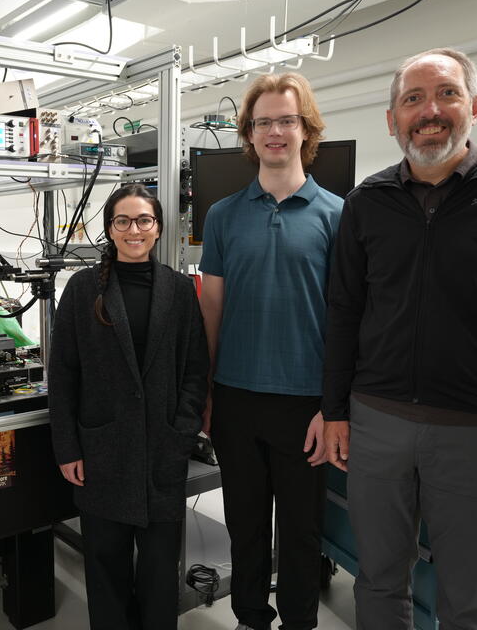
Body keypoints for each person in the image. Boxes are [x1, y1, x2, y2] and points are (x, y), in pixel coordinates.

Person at [323, 48, 477, 629]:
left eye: (446, 94)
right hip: (376, 424)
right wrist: (334, 410)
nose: (430, 111)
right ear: (392, 119)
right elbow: (344, 312)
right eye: (413, 99)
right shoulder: (366, 204)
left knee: (471, 597)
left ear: (474, 106)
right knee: (378, 581)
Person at [198, 73, 343, 630]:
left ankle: (299, 623)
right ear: (249, 134)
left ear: (306, 129)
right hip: (235, 399)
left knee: (303, 534)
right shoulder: (223, 216)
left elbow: (346, 321)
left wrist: (333, 407)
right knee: (245, 526)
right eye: (263, 123)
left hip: (306, 405)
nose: (275, 132)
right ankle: (250, 619)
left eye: (287, 120)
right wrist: (207, 390)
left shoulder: (337, 215)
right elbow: (212, 308)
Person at [48, 183, 208, 630]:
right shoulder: (82, 290)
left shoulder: (179, 290)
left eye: (143, 220)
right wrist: (68, 448)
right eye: (123, 220)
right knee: (105, 570)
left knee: (160, 575)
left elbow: (196, 367)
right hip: (102, 453)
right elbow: (62, 374)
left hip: (163, 451)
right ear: (110, 229)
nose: (133, 229)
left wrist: (183, 427)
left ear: (157, 229)